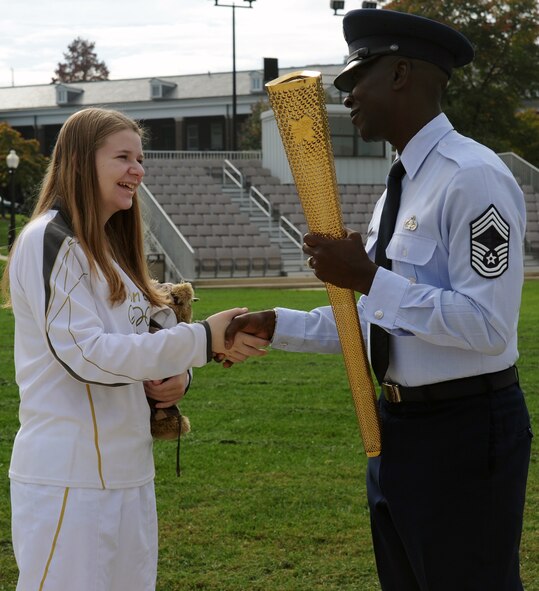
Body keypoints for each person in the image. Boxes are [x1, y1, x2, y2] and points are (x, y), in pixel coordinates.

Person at [224, 9, 532, 591]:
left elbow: (489, 326)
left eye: (355, 80)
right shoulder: (403, 179)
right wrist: (277, 324)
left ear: (400, 74)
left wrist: (369, 278)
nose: (347, 98)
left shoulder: (473, 177)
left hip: (464, 431)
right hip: (396, 429)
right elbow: (378, 319)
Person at [2, 107, 268, 591]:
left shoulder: (110, 251)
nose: (137, 170)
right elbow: (86, 355)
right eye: (123, 156)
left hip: (129, 477)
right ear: (81, 162)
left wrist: (175, 380)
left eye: (139, 158)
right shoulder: (49, 239)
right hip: (70, 480)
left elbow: (148, 341)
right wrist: (204, 340)